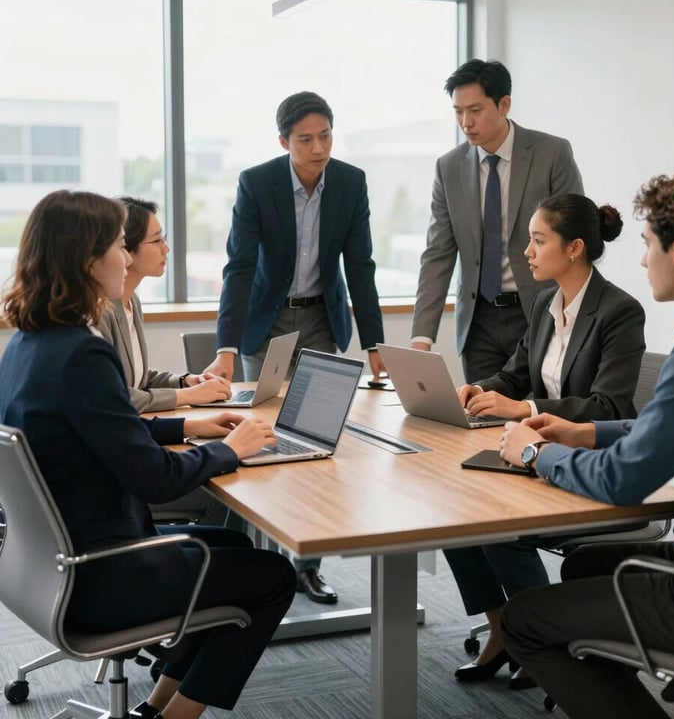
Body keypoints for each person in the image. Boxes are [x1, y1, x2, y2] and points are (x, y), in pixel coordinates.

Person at [0, 190, 296, 719]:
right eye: (119, 246)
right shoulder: (82, 353)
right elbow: (156, 481)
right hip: (100, 575)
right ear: (88, 260)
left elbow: (97, 431)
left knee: (230, 541)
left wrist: (190, 424)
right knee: (274, 577)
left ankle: (155, 707)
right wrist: (230, 449)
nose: (127, 257)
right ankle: (177, 716)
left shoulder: (28, 343)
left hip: (46, 566)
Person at [497, 171, 674, 719]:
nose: (642, 261)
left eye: (647, 246)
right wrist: (585, 432)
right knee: (587, 565)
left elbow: (624, 480)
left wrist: (535, 452)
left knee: (523, 619)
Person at [445, 193, 645, 686]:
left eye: (538, 241)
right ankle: (501, 632)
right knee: (452, 512)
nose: (527, 252)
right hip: (537, 455)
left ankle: (544, 643)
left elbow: (609, 408)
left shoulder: (619, 311)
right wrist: (478, 390)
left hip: (594, 460)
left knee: (495, 524)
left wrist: (529, 409)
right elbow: (515, 376)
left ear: (574, 248)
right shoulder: (543, 303)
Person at [205, 91, 385, 604]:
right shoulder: (258, 183)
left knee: (319, 442)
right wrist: (226, 346)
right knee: (259, 434)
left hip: (323, 319)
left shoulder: (350, 182)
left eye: (325, 135)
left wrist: (374, 342)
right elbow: (239, 267)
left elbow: (362, 267)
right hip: (269, 320)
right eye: (305, 139)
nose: (318, 148)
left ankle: (306, 565)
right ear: (284, 141)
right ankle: (247, 566)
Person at [411, 59, 584, 382]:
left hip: (540, 311)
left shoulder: (551, 154)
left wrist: (572, 315)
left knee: (535, 419)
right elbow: (438, 254)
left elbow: (576, 239)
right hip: (478, 323)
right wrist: (422, 337)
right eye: (458, 111)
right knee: (479, 418)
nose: (466, 122)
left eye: (475, 110)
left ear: (504, 104)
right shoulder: (449, 168)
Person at [98, 196, 232, 413]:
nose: (166, 248)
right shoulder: (99, 311)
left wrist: (185, 381)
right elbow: (115, 395)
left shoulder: (131, 300)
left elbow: (138, 380)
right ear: (126, 248)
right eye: (157, 240)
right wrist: (187, 396)